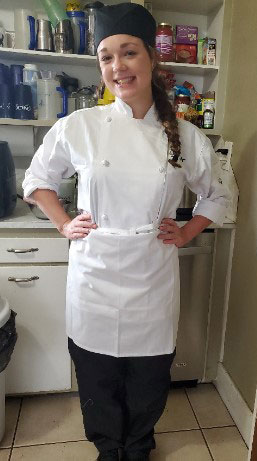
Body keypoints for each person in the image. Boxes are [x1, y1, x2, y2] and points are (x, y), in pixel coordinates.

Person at [22, 3, 230, 460]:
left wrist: (188, 229)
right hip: (93, 272)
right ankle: (106, 446)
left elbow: (218, 195)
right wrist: (63, 222)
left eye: (129, 52)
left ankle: (137, 445)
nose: (118, 66)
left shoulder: (187, 136)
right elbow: (37, 181)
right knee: (96, 375)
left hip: (151, 274)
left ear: (152, 60)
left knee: (148, 375)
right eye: (106, 57)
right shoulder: (79, 127)